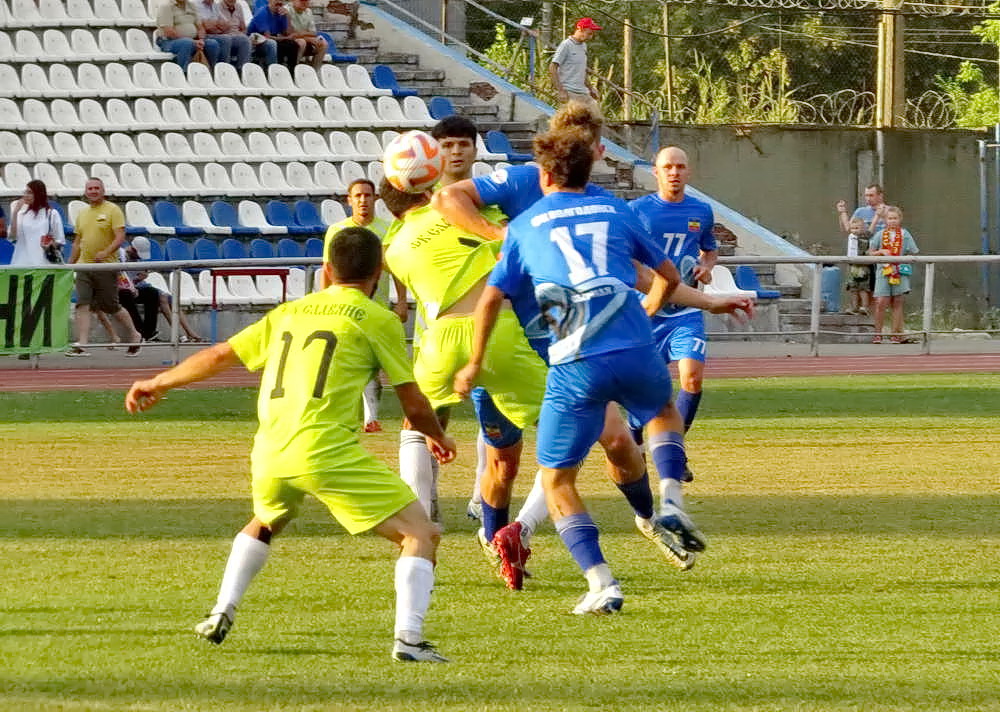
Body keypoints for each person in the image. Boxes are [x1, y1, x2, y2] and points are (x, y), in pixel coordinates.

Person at [453, 126, 753, 614]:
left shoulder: (525, 225)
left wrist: (471, 363)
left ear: (545, 174)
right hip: (633, 343)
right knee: (662, 411)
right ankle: (670, 499)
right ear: (590, 165)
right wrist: (659, 309)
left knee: (556, 480)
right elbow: (664, 276)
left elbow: (490, 297)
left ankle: (601, 582)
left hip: (572, 361)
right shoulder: (616, 209)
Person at [125, 227, 456, 662]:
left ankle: (222, 610)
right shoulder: (378, 319)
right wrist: (438, 435)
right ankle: (409, 641)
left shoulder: (289, 311)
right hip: (324, 451)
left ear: (326, 270)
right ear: (379, 272)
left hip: (270, 449)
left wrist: (159, 381)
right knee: (421, 533)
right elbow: (412, 401)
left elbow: (221, 355)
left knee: (266, 520)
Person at [434, 103, 698, 575]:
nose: (589, 152)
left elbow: (640, 272)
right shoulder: (521, 182)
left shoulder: (600, 201)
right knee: (503, 461)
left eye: (590, 145)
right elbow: (449, 198)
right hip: (512, 345)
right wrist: (500, 234)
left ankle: (647, 519)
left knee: (615, 441)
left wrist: (707, 301)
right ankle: (497, 539)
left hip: (572, 346)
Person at [380, 177, 550, 591]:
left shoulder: (396, 246)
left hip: (442, 345)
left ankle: (425, 534)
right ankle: (518, 528)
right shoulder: (484, 211)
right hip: (499, 337)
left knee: (424, 429)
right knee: (574, 429)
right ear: (430, 186)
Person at [629, 146, 717, 484]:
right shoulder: (637, 211)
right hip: (648, 310)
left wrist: (706, 267)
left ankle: (674, 450)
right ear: (656, 171)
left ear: (688, 171)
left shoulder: (701, 211)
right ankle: (635, 437)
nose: (674, 172)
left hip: (685, 311)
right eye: (668, 167)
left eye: (680, 166)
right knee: (644, 389)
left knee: (692, 378)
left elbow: (709, 250)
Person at [324, 178, 401, 433]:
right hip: (342, 307)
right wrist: (326, 299)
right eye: (358, 196)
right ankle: (344, 413)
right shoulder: (337, 230)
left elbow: (396, 269)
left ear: (375, 199)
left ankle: (371, 417)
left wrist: (401, 302)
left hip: (376, 307)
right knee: (342, 361)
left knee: (372, 362)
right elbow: (327, 268)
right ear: (349, 200)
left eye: (367, 195)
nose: (363, 200)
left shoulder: (387, 229)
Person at [66, 178, 142, 358]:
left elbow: (120, 236)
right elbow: (77, 242)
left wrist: (106, 252)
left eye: (96, 188)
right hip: (84, 266)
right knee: (82, 303)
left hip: (106, 265)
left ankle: (135, 334)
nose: (93, 191)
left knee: (111, 306)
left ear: (103, 190)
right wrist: (70, 264)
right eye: (90, 188)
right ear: (85, 192)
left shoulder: (113, 210)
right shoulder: (82, 213)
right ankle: (82, 344)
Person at [867, 206, 918, 344]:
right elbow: (870, 252)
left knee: (898, 301)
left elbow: (913, 251)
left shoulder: (905, 234)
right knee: (881, 302)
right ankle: (878, 334)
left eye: (895, 218)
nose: (892, 221)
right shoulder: (880, 234)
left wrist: (905, 259)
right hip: (883, 270)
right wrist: (881, 252)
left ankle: (896, 334)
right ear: (885, 220)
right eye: (890, 218)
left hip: (899, 271)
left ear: (900, 219)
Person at [8, 180, 64, 267]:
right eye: (25, 192)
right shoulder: (21, 214)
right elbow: (12, 237)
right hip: (21, 263)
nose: (25, 195)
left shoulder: (51, 213)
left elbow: (60, 241)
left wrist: (50, 245)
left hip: (44, 263)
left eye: (30, 192)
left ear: (39, 194)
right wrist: (15, 213)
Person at [549, 18, 601, 109]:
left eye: (592, 34)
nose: (590, 37)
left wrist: (591, 88)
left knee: (595, 113)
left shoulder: (583, 46)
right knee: (574, 117)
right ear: (580, 29)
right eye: (589, 33)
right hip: (569, 91)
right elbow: (552, 67)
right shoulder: (566, 45)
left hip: (583, 91)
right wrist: (560, 91)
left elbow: (581, 70)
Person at [156, 0, 222, 70]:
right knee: (187, 43)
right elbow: (168, 32)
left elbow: (200, 27)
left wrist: (201, 40)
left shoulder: (191, 5)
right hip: (169, 41)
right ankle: (184, 72)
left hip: (193, 40)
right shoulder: (166, 6)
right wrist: (193, 42)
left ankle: (210, 71)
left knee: (212, 44)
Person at [199, 0, 252, 71]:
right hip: (220, 34)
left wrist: (218, 24)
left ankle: (242, 70)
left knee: (245, 40)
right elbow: (209, 27)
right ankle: (224, 69)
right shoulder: (217, 5)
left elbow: (228, 25)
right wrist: (218, 25)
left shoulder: (215, 5)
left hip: (234, 34)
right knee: (225, 39)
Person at [247, 0, 298, 70]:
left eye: (280, 3)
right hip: (257, 42)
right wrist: (286, 38)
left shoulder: (281, 13)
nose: (279, 4)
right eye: (276, 2)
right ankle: (274, 70)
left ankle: (291, 71)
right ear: (270, 1)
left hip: (273, 37)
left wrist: (287, 16)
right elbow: (267, 36)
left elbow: (288, 33)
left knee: (293, 44)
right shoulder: (262, 12)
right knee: (277, 45)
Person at [286, 0, 328, 71]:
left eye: (307, 0)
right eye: (302, 0)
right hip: (288, 40)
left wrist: (302, 35)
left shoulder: (308, 11)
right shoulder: (287, 10)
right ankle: (294, 71)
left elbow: (313, 33)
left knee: (323, 43)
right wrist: (307, 37)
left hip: (303, 39)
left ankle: (314, 71)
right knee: (301, 42)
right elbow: (290, 34)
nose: (304, 3)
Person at [844, 216, 872, 316]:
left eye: (857, 228)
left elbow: (870, 231)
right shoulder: (851, 237)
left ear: (862, 228)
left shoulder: (865, 238)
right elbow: (846, 226)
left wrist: (877, 216)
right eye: (853, 228)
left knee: (863, 288)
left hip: (863, 266)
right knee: (853, 288)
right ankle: (854, 307)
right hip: (852, 266)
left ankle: (865, 306)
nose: (854, 230)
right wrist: (843, 213)